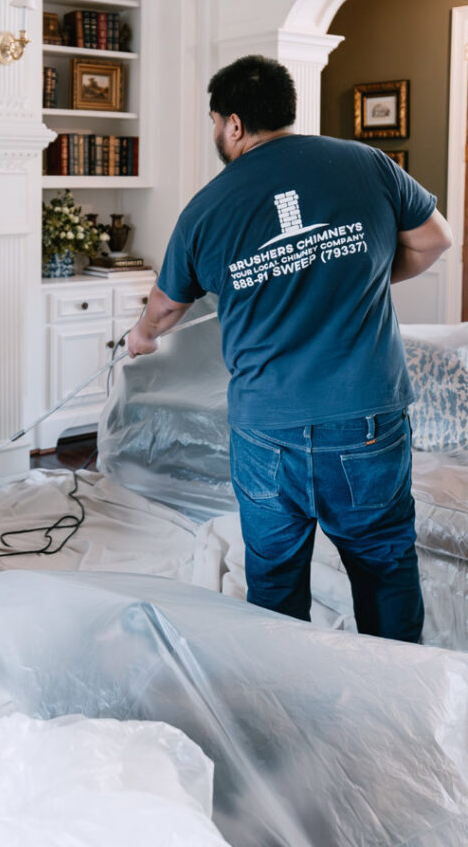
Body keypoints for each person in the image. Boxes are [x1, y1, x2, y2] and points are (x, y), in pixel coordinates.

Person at [127, 55, 452, 643]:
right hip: (367, 418)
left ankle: (287, 709)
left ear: (231, 124)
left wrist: (142, 336)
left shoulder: (205, 208)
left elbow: (166, 307)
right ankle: (401, 700)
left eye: (214, 124)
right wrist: (365, 275)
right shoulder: (366, 162)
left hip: (266, 427)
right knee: (384, 568)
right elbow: (436, 238)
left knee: (274, 583)